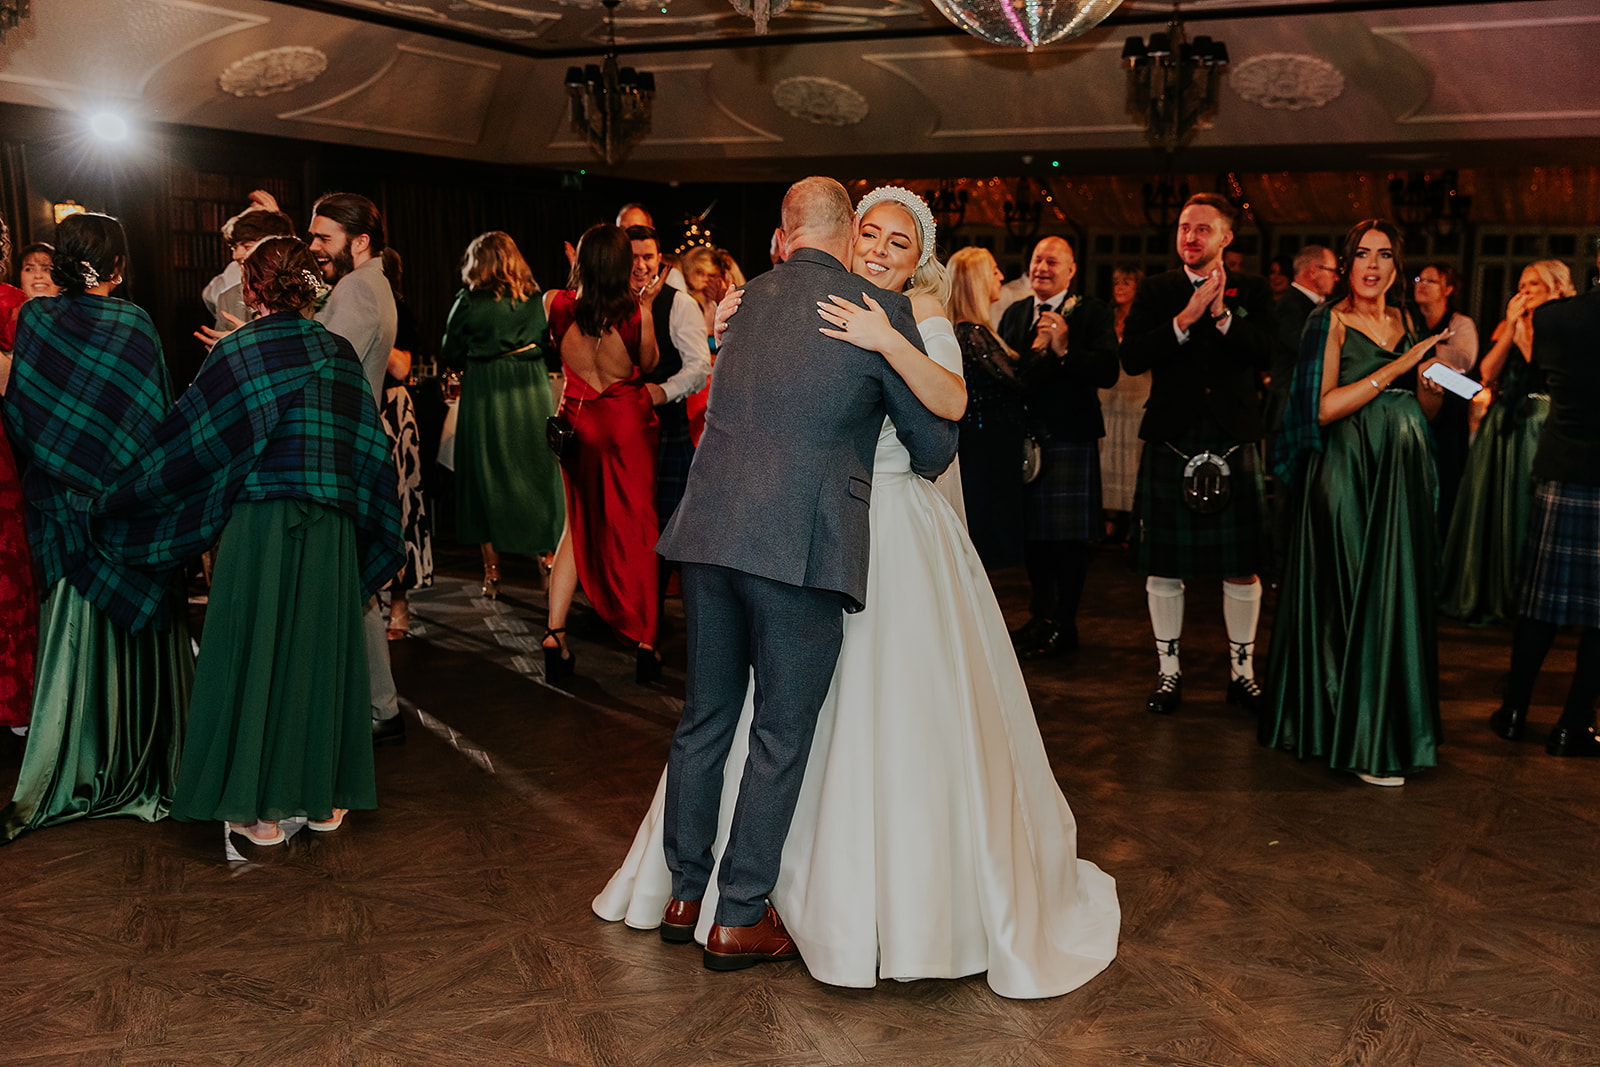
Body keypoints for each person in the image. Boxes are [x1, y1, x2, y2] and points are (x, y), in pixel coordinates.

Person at [595, 183, 1119, 998]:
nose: (876, 250)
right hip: (803, 544)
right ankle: (737, 913)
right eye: (869, 234)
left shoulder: (739, 301)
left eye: (896, 242)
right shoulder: (869, 312)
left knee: (704, 720)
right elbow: (931, 446)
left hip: (709, 536)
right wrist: (887, 348)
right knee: (777, 733)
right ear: (846, 238)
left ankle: (684, 893)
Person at [92, 237, 403, 843]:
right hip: (330, 525)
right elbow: (367, 450)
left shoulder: (239, 352)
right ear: (309, 284)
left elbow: (190, 445)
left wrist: (118, 499)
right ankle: (321, 801)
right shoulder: (337, 353)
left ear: (254, 289)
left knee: (253, 653)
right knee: (318, 655)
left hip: (259, 524)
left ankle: (252, 811)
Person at [0, 212, 194, 842]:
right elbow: (154, 423)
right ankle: (145, 764)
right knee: (136, 640)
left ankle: (73, 765)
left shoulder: (34, 319)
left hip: (62, 511)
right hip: (123, 515)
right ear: (116, 264)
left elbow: (22, 416)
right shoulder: (132, 323)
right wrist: (118, 488)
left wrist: (69, 476)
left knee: (71, 638)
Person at [1263, 219, 1447, 787]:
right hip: (1346, 472)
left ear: (1397, 267)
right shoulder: (1328, 320)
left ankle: (1390, 725)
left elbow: (1420, 408)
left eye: (1384, 255)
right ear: (1347, 265)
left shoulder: (1406, 319)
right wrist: (1398, 366)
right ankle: (1356, 736)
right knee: (1352, 594)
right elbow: (1320, 408)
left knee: (1396, 595)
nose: (1372, 265)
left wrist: (1430, 389)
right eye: (1362, 254)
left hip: (1400, 475)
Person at [1120, 193, 1275, 715]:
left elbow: (1269, 352)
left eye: (1203, 229)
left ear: (1226, 238)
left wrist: (1225, 315)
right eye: (1185, 227)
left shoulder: (1252, 289)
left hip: (1234, 436)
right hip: (1171, 437)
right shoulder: (1158, 290)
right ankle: (1168, 673)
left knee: (1242, 566)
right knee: (1163, 565)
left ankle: (1242, 674)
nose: (1191, 236)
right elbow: (1133, 356)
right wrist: (1183, 320)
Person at [1489, 249, 1600, 757]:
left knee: (1539, 605)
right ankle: (1570, 726)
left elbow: (1545, 371)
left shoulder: (1556, 319)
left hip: (1563, 468)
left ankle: (1514, 712)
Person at [541, 224, 664, 684]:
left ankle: (555, 634)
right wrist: (647, 310)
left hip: (576, 422)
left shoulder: (554, 303)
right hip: (624, 423)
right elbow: (648, 364)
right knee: (640, 524)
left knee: (576, 526)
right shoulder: (633, 312)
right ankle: (646, 642)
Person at [307, 191, 405, 747]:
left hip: (341, 452)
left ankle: (373, 709)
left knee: (350, 582)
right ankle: (380, 707)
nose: (314, 246)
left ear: (359, 241)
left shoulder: (356, 288)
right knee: (357, 584)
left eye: (324, 237)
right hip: (357, 449)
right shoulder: (373, 283)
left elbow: (323, 370)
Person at [998, 236, 1119, 659]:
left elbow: (1108, 372)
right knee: (1032, 538)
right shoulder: (1015, 313)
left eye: (1052, 261)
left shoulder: (1093, 312)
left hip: (1070, 437)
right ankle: (1041, 615)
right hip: (1026, 440)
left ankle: (1065, 625)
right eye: (1036, 259)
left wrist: (1066, 350)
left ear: (1071, 270)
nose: (1042, 267)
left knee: (1067, 542)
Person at [1439, 260, 1574, 625]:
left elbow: (1544, 370)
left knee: (1527, 508)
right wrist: (1512, 325)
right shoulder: (1510, 325)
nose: (1524, 291)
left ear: (1556, 288)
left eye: (1533, 284)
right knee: (1493, 503)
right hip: (1502, 421)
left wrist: (1529, 330)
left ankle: (1529, 597)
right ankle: (1490, 590)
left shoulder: (1563, 326)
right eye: (1521, 284)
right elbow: (1487, 372)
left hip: (1539, 421)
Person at [441, 231, 565, 598]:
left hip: (485, 392)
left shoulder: (468, 301)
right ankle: (547, 562)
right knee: (537, 473)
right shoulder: (536, 301)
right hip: (530, 389)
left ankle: (492, 572)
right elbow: (551, 344)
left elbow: (449, 350)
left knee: (486, 476)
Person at [948, 246, 1026, 569]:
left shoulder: (973, 331)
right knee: (982, 542)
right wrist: (1046, 349)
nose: (1001, 277)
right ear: (978, 281)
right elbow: (1019, 380)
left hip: (984, 448)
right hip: (984, 452)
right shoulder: (973, 333)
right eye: (994, 270)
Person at [1264, 245, 1339, 576]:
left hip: (1307, 411)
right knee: (1287, 495)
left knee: (1305, 493)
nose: (1336, 278)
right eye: (1332, 271)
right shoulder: (1291, 308)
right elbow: (1308, 352)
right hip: (1290, 411)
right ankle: (1282, 567)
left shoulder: (1316, 308)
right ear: (1313, 271)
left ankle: (1300, 564)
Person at [377, 249, 432, 638]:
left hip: (394, 411)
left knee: (402, 505)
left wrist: (372, 328)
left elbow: (401, 367)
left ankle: (399, 601)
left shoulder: (398, 311)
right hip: (358, 405)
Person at [1412, 263, 1479, 535]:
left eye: (1431, 280)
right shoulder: (1408, 319)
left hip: (1450, 418)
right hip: (1416, 413)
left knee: (1447, 481)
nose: (1421, 284)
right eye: (1419, 278)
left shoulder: (1460, 323)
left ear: (1448, 289)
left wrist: (1418, 351)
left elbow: (1465, 360)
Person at [1098, 266, 1147, 544]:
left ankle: (1131, 519)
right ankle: (1107, 516)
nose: (1119, 287)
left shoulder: (1140, 319)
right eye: (1116, 282)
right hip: (1109, 393)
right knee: (1108, 454)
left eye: (1126, 282)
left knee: (1131, 456)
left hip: (1135, 390)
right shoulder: (1107, 316)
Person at [199, 206, 295, 334]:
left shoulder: (302, 293)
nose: (236, 256)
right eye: (234, 247)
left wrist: (247, 341)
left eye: (246, 246)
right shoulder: (228, 299)